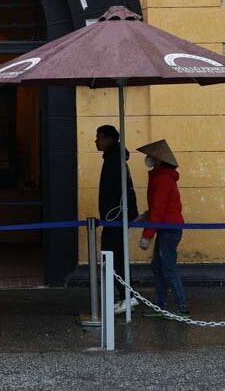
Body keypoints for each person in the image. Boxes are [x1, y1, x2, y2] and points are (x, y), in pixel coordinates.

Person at [137, 139, 188, 317]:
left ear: (158, 159)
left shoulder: (162, 179)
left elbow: (159, 209)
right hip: (166, 227)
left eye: (150, 155)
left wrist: (147, 235)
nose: (148, 158)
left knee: (167, 268)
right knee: (159, 267)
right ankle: (161, 306)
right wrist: (147, 215)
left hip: (168, 228)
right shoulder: (162, 177)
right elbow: (159, 207)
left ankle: (182, 308)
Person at [95, 124, 139, 314]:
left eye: (99, 137)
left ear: (109, 139)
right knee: (117, 256)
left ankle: (127, 296)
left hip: (115, 217)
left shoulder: (114, 160)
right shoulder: (114, 158)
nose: (96, 141)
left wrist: (111, 215)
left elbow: (115, 191)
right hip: (116, 216)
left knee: (112, 256)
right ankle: (124, 296)